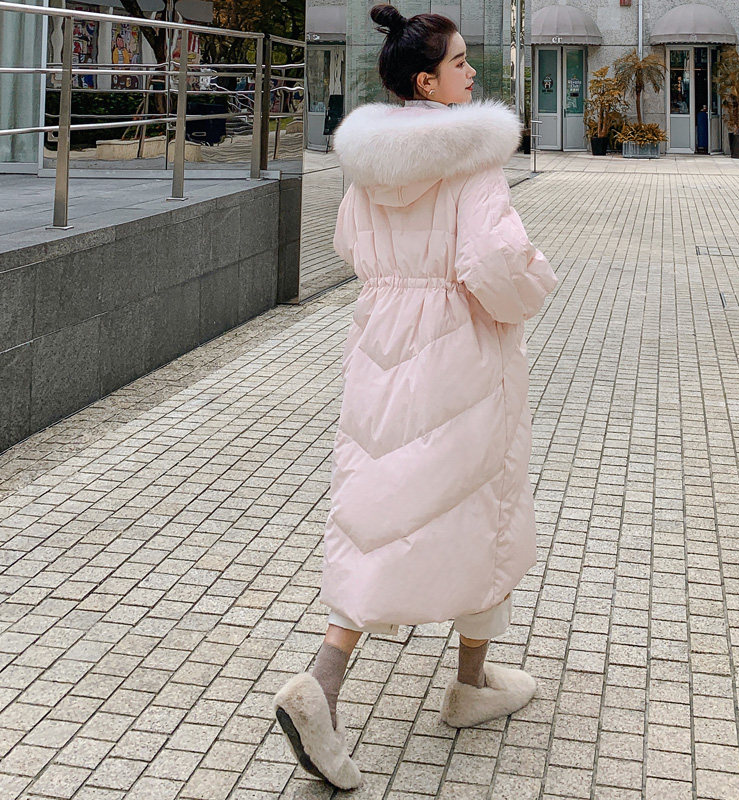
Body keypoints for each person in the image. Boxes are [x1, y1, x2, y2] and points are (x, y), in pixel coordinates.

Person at [273, 4, 557, 789]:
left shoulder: (371, 163)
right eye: (459, 62)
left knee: (378, 515)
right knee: (487, 505)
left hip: (382, 347)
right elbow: (496, 265)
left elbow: (348, 244)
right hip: (460, 350)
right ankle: (437, 682)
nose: (472, 72)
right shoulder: (471, 159)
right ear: (427, 82)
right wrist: (538, 281)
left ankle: (370, 682)